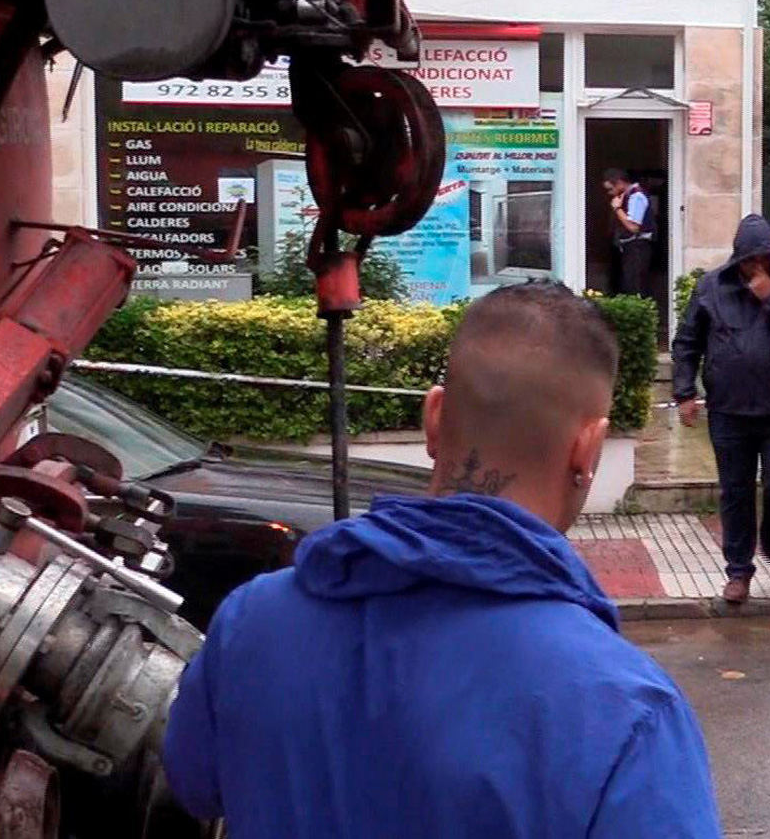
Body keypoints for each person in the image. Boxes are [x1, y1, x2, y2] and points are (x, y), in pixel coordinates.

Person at [162, 284, 722, 839]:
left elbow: (193, 784)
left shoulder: (250, 623)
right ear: (589, 449)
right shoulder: (626, 710)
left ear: (433, 417)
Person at [672, 214, 770, 603]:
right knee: (736, 492)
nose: (756, 266)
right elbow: (687, 342)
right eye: (749, 259)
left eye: (764, 259)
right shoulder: (711, 288)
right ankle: (739, 571)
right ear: (738, 257)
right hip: (729, 413)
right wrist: (684, 391)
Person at [602, 167, 656, 297]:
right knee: (627, 284)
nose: (610, 193)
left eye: (611, 189)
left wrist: (617, 209)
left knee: (636, 287)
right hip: (628, 247)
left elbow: (633, 227)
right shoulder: (626, 196)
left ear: (620, 182)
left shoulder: (636, 196)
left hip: (637, 246)